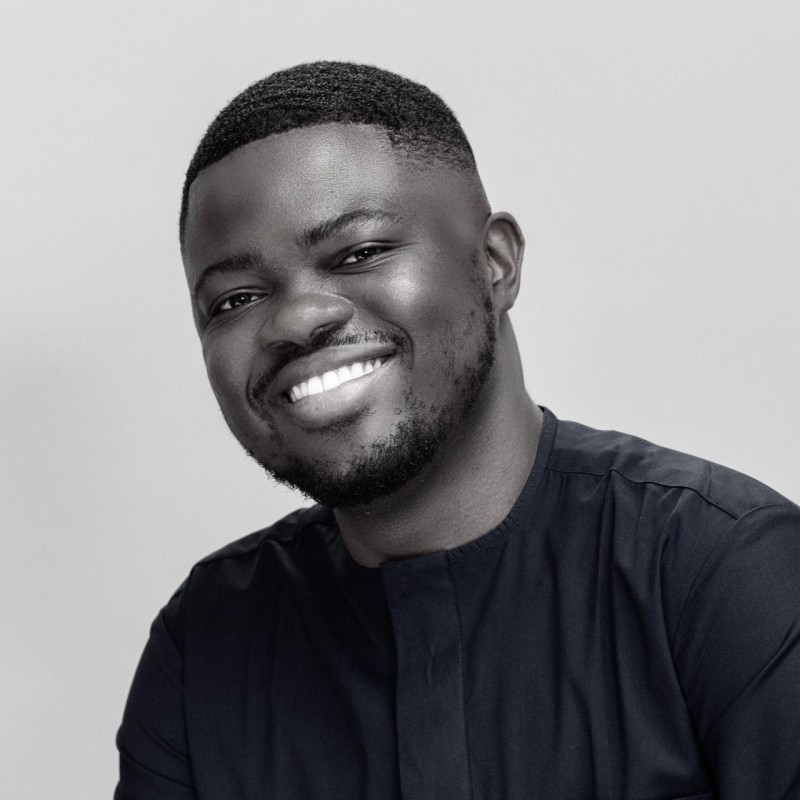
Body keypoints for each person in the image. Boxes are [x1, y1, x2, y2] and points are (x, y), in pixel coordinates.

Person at [115, 61, 800, 799]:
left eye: (359, 253)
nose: (296, 320)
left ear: (495, 263)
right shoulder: (205, 647)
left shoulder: (726, 573)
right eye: (234, 299)